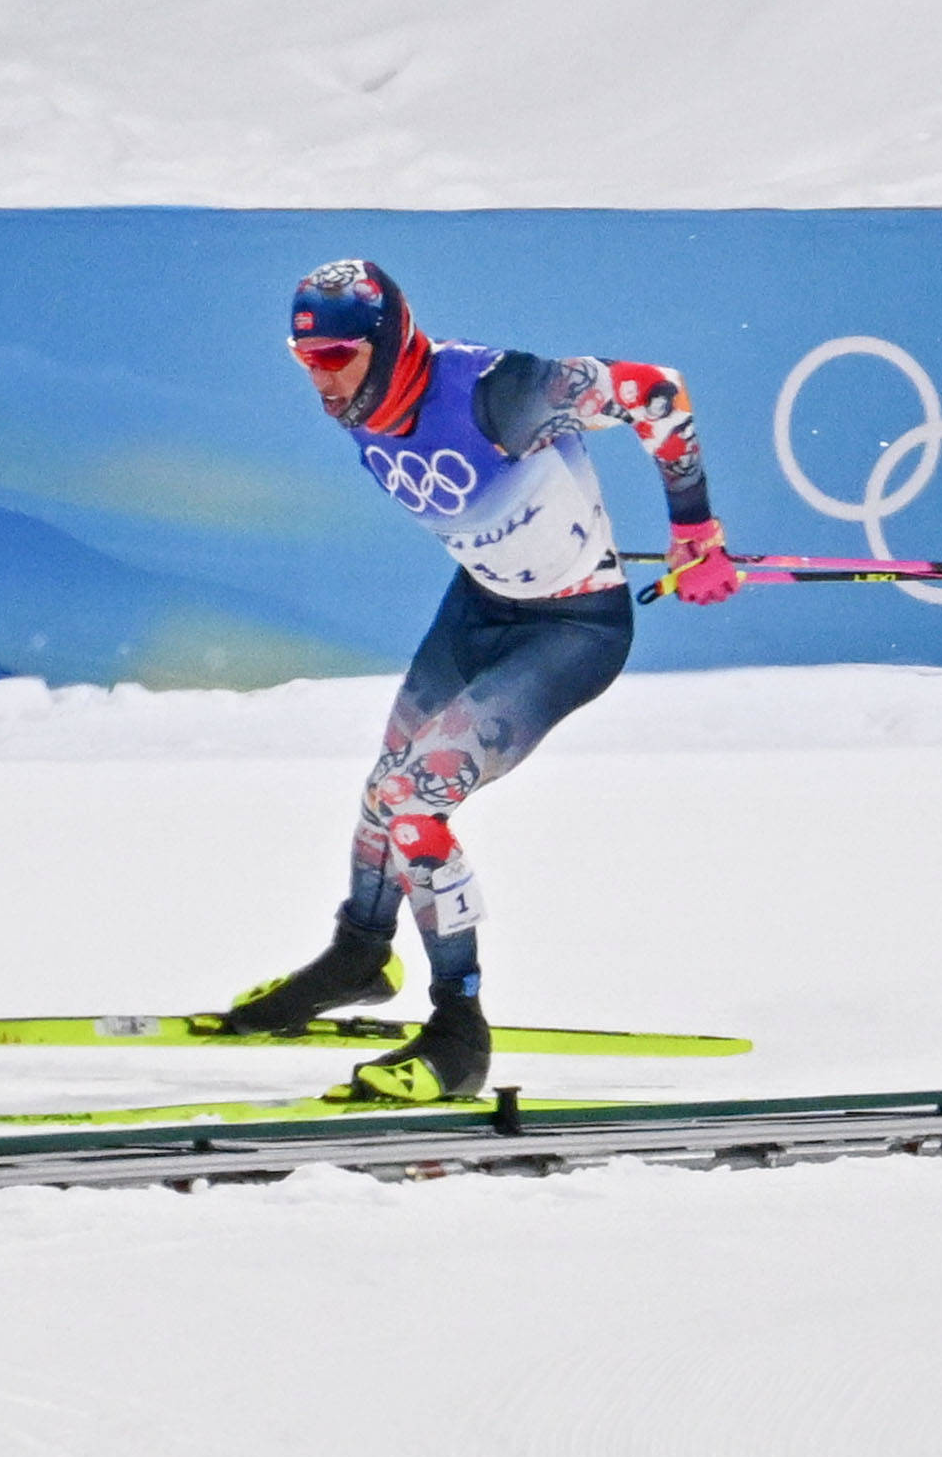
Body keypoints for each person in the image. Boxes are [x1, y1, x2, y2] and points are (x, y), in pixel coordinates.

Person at [226, 256, 741, 1101]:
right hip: (480, 608)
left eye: (335, 357)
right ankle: (359, 952)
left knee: (413, 801)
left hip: (570, 631)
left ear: (388, 342)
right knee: (382, 789)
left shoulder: (498, 392)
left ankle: (458, 1030)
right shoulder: (363, 401)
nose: (318, 380)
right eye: (303, 359)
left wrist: (696, 530)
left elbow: (656, 391)